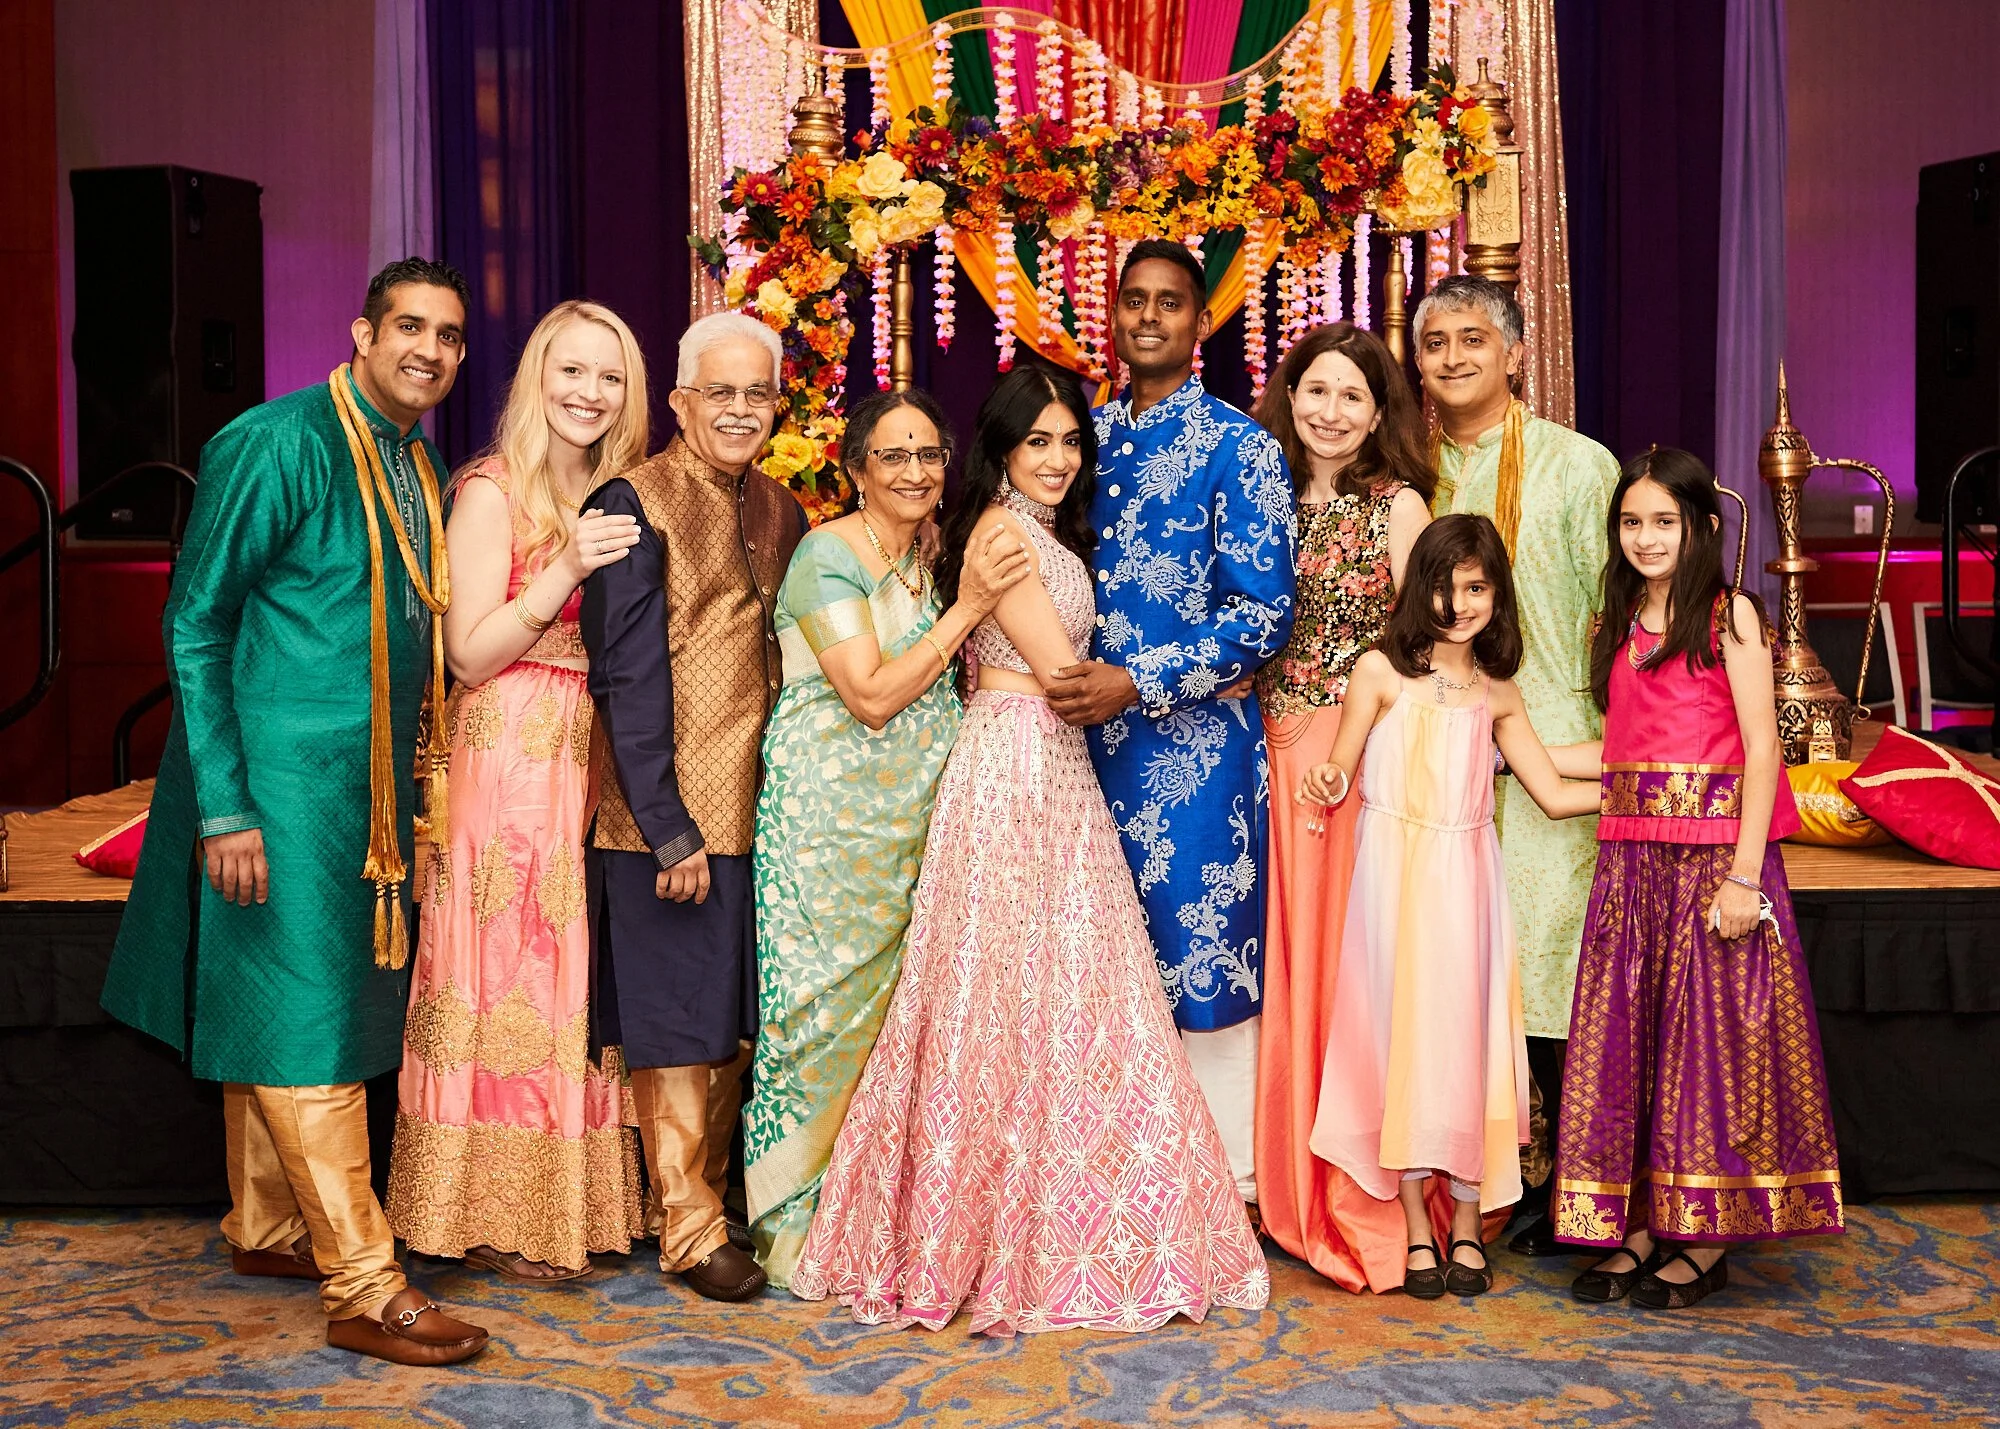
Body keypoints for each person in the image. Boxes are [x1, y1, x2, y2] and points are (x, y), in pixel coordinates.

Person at [791, 366, 1269, 1334]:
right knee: (1003, 994)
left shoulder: (1043, 532)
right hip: (1016, 761)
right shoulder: (1004, 535)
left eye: (1069, 442)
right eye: (1036, 441)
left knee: (1054, 995)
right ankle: (986, 1232)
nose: (1056, 459)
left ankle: (1056, 1219)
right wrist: (1188, 677)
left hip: (1048, 763)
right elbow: (1061, 675)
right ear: (1002, 450)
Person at [99, 258, 490, 1365]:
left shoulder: (411, 456)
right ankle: (365, 1284)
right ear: (362, 334)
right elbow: (195, 621)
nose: (427, 350)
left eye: (448, 335)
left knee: (300, 1000)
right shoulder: (275, 442)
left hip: (363, 792)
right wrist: (226, 808)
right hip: (274, 788)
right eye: (408, 326)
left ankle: (269, 1222)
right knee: (306, 1011)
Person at [386, 300, 651, 1281]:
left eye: (610, 376)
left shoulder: (622, 491)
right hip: (506, 747)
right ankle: (489, 1215)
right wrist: (565, 568)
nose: (589, 392)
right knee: (505, 961)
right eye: (570, 370)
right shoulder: (492, 490)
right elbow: (466, 654)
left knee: (576, 963)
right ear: (537, 378)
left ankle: (563, 1205)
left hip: (591, 747)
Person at [742, 388, 1030, 1287]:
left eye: (929, 454)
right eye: (893, 455)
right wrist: (967, 608)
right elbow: (868, 696)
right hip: (828, 826)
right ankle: (790, 1226)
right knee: (817, 1017)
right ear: (856, 469)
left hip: (918, 823)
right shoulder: (827, 555)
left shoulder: (934, 554)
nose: (915, 471)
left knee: (902, 1023)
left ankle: (870, 1218)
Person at [1554, 448, 1841, 1308]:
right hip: (1632, 864)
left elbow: (1762, 746)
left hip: (1715, 864)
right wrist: (1493, 738)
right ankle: (1644, 1224)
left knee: (1709, 1052)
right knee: (1633, 1043)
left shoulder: (1731, 615)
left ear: (1702, 528)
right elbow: (1620, 749)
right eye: (1631, 522)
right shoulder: (1618, 620)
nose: (1645, 537)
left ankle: (1707, 1238)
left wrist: (1745, 877)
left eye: (1663, 521)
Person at [1048, 238, 1297, 1211]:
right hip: (1073, 748)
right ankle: (1113, 1184)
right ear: (1111, 314)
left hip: (1194, 756)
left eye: (1170, 302)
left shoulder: (1241, 446)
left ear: (1201, 321)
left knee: (1204, 963)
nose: (1148, 316)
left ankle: (1226, 1193)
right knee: (1092, 966)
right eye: (1133, 300)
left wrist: (1139, 681)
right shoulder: (1076, 440)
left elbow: (1261, 616)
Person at [1300, 515, 1600, 1298]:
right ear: (1416, 590)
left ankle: (1466, 1221)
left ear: (1498, 596)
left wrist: (1658, 781)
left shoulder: (1498, 693)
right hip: (1393, 882)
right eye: (1443, 584)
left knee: (1467, 1046)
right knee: (1400, 1043)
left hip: (1468, 885)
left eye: (1476, 586)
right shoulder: (1379, 674)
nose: (1458, 602)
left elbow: (1553, 790)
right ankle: (1415, 1227)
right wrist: (1327, 779)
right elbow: (1339, 766)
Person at [580, 311, 810, 1303]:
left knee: (730, 1023)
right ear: (679, 402)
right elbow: (622, 676)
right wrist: (666, 825)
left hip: (764, 811)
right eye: (720, 392)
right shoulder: (635, 502)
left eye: (757, 393)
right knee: (677, 1026)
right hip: (665, 820)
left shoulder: (781, 508)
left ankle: (708, 1204)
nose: (740, 410)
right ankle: (687, 1227)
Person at [1414, 274, 1619, 1255]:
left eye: (1472, 338)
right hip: (1440, 754)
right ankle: (1491, 1177)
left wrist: (1616, 739)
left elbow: (1615, 617)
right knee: (1462, 970)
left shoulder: (1578, 466)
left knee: (1551, 965)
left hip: (1555, 744)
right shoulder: (1407, 472)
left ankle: (1574, 1182)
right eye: (1435, 343)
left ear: (1515, 354)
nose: (1453, 357)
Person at [1247, 322, 1433, 1289]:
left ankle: (1362, 1192)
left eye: (1352, 395)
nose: (1330, 411)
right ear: (1291, 396)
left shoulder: (1397, 506)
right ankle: (1278, 1175)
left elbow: (1426, 644)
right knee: (1281, 961)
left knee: (1346, 964)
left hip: (1352, 758)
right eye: (1316, 390)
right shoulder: (1256, 493)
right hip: (1261, 750)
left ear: (1378, 412)